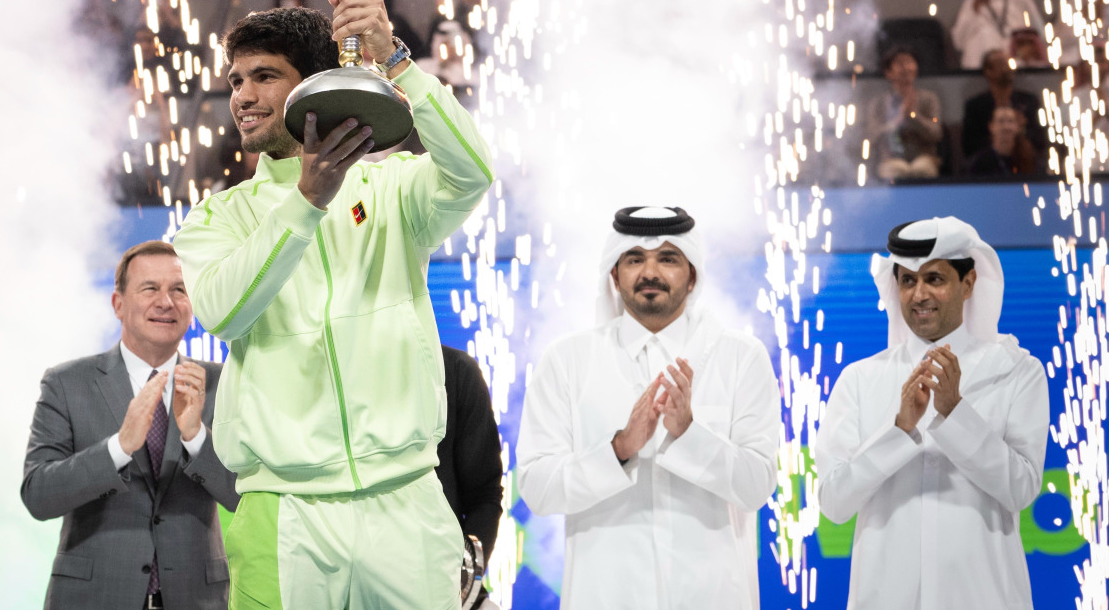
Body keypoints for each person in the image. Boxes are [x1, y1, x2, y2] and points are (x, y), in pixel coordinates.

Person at [172, 0, 495, 608]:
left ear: (315, 88)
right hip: (282, 507)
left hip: (406, 498)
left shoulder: (392, 186)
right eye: (236, 80)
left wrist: (395, 60)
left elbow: (473, 173)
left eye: (264, 76)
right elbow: (223, 312)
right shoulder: (217, 218)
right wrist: (307, 201)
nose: (242, 96)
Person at [516, 206, 780, 610]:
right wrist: (618, 449)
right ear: (614, 274)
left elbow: (757, 486)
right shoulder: (567, 360)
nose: (650, 272)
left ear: (692, 277)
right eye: (634, 259)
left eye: (668, 259)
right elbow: (537, 489)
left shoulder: (740, 357)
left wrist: (690, 434)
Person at [816, 217, 1048, 610]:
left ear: (968, 283)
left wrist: (955, 413)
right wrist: (900, 430)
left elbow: (1021, 489)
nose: (919, 294)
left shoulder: (1016, 371)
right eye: (908, 281)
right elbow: (834, 503)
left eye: (934, 279)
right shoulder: (860, 378)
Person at [21, 241, 240, 610]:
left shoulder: (222, 383)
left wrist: (196, 438)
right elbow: (39, 495)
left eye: (179, 290)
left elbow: (244, 495)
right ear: (118, 304)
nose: (166, 302)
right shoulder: (66, 383)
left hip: (198, 599)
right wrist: (119, 448)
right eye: (150, 288)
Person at [436, 345, 504, 610]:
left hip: (445, 590)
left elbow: (484, 496)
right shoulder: (329, 371)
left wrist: (462, 584)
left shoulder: (455, 371)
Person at [866, 47, 944, 180]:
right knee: (895, 170)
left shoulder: (929, 99)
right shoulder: (878, 103)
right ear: (888, 73)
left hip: (924, 158)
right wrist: (897, 121)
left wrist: (913, 116)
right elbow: (872, 136)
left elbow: (936, 133)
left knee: (921, 169)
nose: (906, 68)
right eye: (900, 63)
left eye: (909, 62)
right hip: (890, 159)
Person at [960, 49, 1047, 159]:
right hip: (988, 163)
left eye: (1009, 63)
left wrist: (1021, 131)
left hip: (1024, 161)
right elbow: (970, 146)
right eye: (1001, 64)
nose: (1007, 68)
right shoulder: (975, 106)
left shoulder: (1029, 101)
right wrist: (999, 137)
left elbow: (1040, 141)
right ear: (988, 71)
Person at [966, 106, 1038, 177]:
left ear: (1017, 126)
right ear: (991, 126)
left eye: (1010, 121)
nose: (1006, 127)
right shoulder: (979, 163)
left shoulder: (1029, 158)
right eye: (1001, 121)